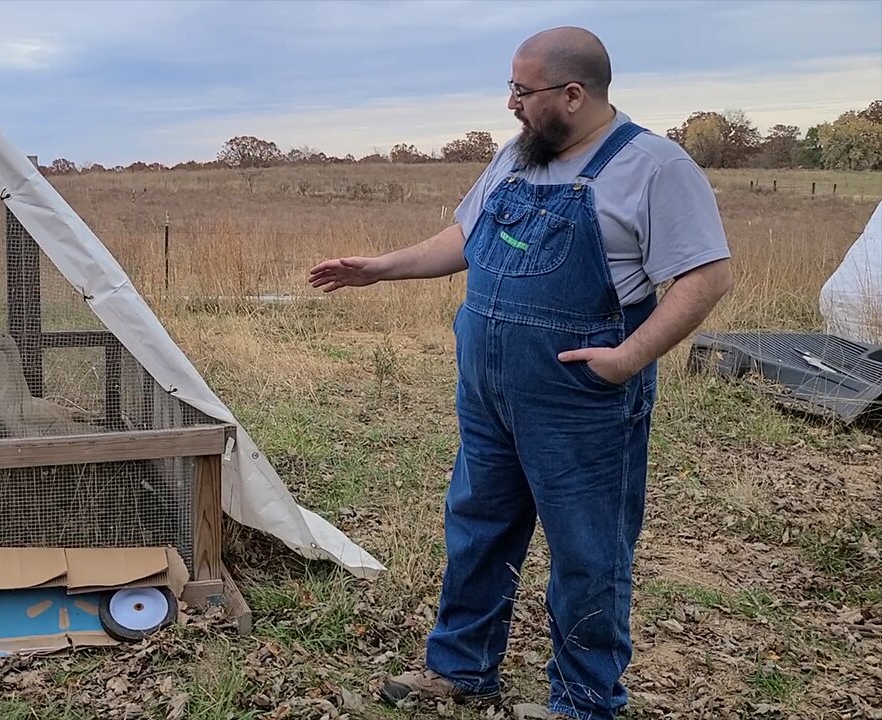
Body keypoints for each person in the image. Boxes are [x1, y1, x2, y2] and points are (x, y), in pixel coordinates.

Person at [307, 26, 734, 720]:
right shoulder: (517, 158)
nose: (509, 103)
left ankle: (584, 701)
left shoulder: (653, 166)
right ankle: (463, 668)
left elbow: (707, 275)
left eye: (521, 90)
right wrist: (379, 267)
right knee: (477, 526)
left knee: (588, 552)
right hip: (490, 395)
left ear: (573, 94)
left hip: (580, 402)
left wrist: (626, 360)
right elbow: (465, 240)